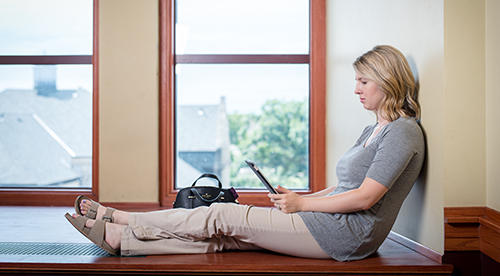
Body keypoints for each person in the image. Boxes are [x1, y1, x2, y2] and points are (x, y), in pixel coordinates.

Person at [65, 45, 425, 261]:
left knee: (221, 213)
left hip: (346, 237)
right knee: (226, 237)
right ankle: (123, 240)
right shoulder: (374, 128)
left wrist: (302, 206)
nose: (356, 89)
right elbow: (343, 186)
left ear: (387, 79)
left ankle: (123, 219)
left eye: (363, 81)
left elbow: (364, 198)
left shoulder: (403, 133)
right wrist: (301, 198)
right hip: (329, 223)